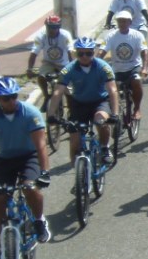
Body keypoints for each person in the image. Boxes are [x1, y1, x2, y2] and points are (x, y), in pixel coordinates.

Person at [0, 77, 52, 259]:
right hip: (4, 159)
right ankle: (2, 248)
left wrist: (45, 172)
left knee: (30, 188)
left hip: (28, 156)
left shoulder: (30, 113)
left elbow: (40, 145)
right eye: (6, 98)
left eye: (14, 96)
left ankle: (39, 220)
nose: (11, 101)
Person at [47, 37, 119, 165]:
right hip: (79, 104)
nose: (84, 56)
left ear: (94, 52)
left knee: (100, 119)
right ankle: (79, 176)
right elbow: (58, 92)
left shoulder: (103, 67)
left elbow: (112, 91)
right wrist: (51, 115)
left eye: (88, 53)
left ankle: (104, 148)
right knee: (74, 138)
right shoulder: (69, 69)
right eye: (81, 53)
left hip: (99, 101)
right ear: (76, 53)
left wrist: (115, 114)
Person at [101, 11, 148, 121]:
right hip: (117, 69)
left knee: (136, 81)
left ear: (130, 22)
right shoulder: (111, 36)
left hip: (133, 68)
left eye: (124, 21)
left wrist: (145, 68)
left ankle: (137, 108)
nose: (122, 24)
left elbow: (144, 53)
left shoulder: (137, 35)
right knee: (109, 88)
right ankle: (114, 111)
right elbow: (101, 52)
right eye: (119, 21)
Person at [27, 16, 74, 107]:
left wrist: (72, 67)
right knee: (41, 76)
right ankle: (46, 96)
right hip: (48, 63)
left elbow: (70, 51)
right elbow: (34, 53)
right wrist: (29, 69)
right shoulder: (41, 36)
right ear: (46, 26)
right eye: (50, 27)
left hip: (64, 64)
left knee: (68, 90)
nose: (52, 30)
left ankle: (70, 105)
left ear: (59, 27)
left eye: (55, 28)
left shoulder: (65, 35)